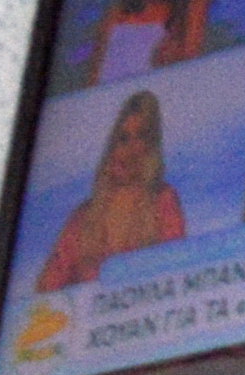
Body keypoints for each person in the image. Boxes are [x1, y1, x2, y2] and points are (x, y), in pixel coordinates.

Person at [35, 90, 188, 289]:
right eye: (123, 138)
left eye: (140, 137)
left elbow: (176, 270)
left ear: (151, 146)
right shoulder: (83, 217)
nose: (130, 150)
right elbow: (47, 287)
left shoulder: (163, 201)